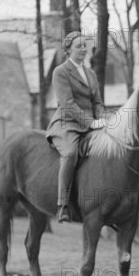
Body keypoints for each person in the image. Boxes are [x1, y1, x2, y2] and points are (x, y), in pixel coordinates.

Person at [46, 32, 106, 223]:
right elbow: (68, 104)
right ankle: (62, 205)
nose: (83, 49)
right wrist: (90, 122)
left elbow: (97, 102)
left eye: (84, 45)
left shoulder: (91, 73)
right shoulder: (60, 72)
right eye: (79, 45)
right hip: (67, 123)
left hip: (92, 124)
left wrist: (102, 118)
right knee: (71, 153)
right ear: (68, 49)